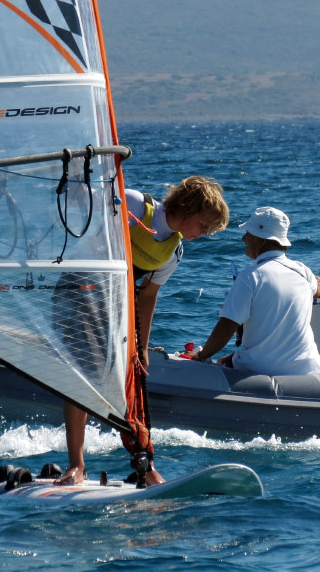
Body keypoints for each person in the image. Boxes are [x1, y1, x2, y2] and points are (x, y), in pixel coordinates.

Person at [56, 176, 229, 486]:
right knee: (85, 373)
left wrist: (143, 348)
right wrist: (79, 186)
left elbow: (147, 297)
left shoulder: (174, 250)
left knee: (133, 381)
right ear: (189, 207)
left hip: (114, 304)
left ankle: (144, 466)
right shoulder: (135, 205)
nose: (204, 234)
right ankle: (76, 465)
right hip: (78, 290)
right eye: (204, 225)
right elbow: (84, 204)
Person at [192, 206, 320, 375]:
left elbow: (226, 328)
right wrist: (318, 282)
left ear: (262, 240)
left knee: (221, 361)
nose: (243, 239)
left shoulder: (249, 277)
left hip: (261, 369)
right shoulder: (303, 271)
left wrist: (200, 356)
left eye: (248, 233)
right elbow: (317, 291)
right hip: (307, 369)